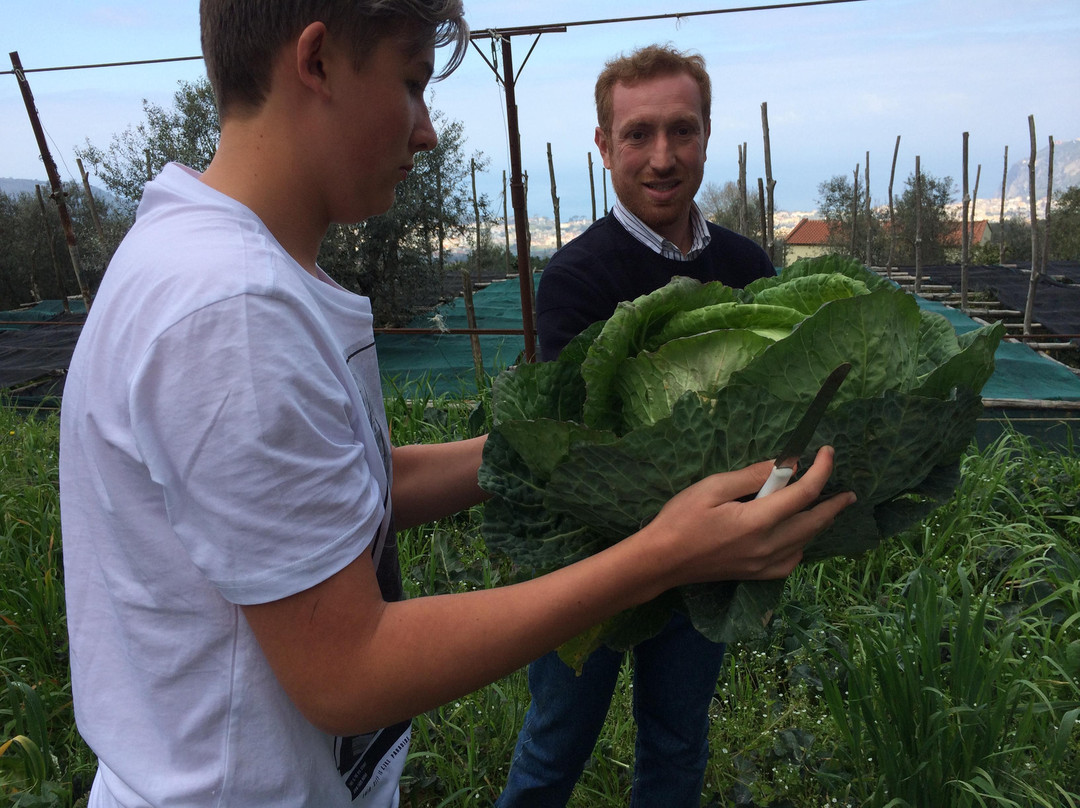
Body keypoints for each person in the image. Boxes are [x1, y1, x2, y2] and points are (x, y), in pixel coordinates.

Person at [59, 4, 854, 805]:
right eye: (411, 84)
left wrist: (572, 447)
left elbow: (350, 493)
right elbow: (350, 672)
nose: (427, 130)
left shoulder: (200, 260)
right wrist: (663, 555)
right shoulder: (230, 312)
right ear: (317, 62)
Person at [498, 45, 778, 808]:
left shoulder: (752, 268)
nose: (663, 157)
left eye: (682, 131)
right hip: (589, 556)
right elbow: (578, 447)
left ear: (707, 135)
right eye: (638, 134)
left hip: (708, 556)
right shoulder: (576, 278)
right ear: (603, 146)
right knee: (555, 746)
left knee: (678, 743)